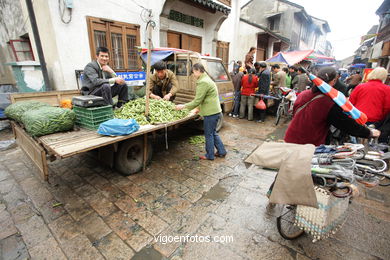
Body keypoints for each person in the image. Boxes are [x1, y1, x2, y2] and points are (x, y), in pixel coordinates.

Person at [284, 67, 380, 146]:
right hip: (308, 145)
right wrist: (369, 133)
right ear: (334, 81)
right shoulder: (328, 103)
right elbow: (347, 125)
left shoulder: (303, 94)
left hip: (290, 138)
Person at [175, 63, 227, 160]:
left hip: (210, 113)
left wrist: (183, 106)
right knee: (213, 132)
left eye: (194, 72)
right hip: (215, 111)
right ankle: (221, 151)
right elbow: (203, 98)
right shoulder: (207, 78)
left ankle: (210, 155)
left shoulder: (203, 82)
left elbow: (198, 100)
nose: (193, 75)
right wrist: (197, 109)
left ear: (198, 70)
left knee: (209, 134)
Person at [349, 67, 390, 143]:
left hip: (358, 118)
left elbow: (350, 103)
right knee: (371, 144)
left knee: (355, 143)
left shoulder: (360, 86)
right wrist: (381, 118)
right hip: (375, 120)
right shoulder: (387, 89)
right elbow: (387, 107)